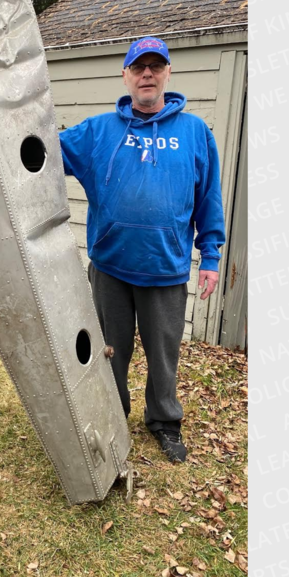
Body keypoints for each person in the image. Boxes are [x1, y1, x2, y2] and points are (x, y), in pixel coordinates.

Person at [59, 37, 226, 463]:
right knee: (109, 352)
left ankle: (164, 422)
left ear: (168, 73)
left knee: (163, 356)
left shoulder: (194, 133)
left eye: (155, 66)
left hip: (165, 269)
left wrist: (210, 257)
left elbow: (208, 199)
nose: (147, 73)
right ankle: (113, 417)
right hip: (111, 267)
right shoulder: (98, 131)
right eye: (139, 67)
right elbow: (41, 150)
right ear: (126, 76)